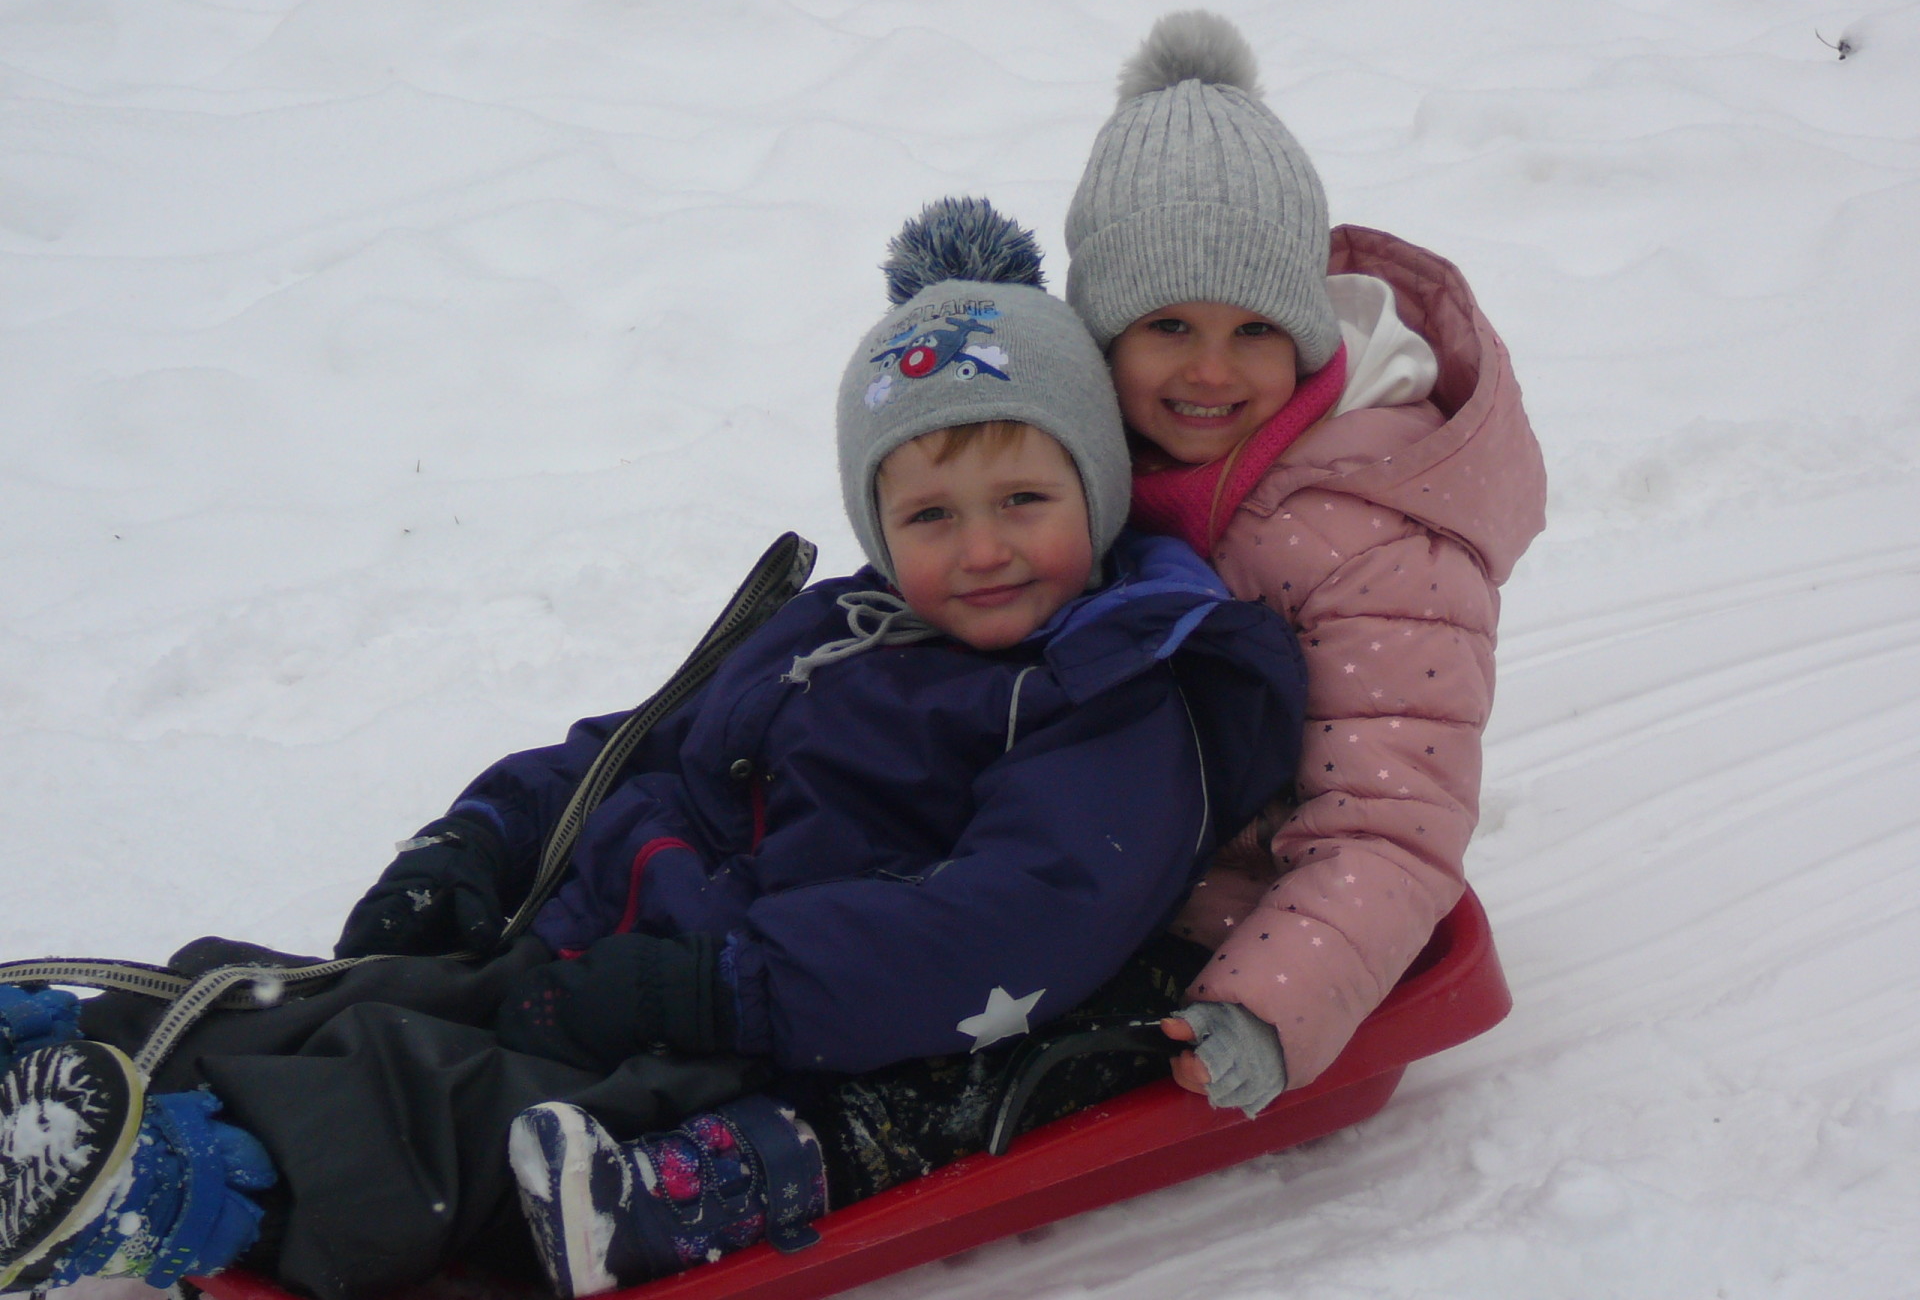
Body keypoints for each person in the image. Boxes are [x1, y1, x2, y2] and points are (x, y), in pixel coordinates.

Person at [0, 199, 1309, 1300]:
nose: (981, 549)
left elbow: (1016, 917)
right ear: (877, 522)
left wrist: (720, 991)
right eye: (930, 515)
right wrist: (478, 839)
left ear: (1099, 488)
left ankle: (192, 1187)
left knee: (441, 1105)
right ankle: (80, 1061)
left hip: (761, 1032)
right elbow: (636, 747)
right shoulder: (840, 625)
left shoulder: (1110, 691)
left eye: (1025, 499)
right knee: (328, 998)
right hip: (599, 950)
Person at [1062, 12, 1548, 1112]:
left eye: (1254, 330)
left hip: (1230, 911)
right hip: (1087, 841)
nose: (1210, 372)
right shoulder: (1090, 464)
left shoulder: (1374, 539)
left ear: (1308, 333)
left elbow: (1394, 822)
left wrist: (1271, 1002)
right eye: (1167, 326)